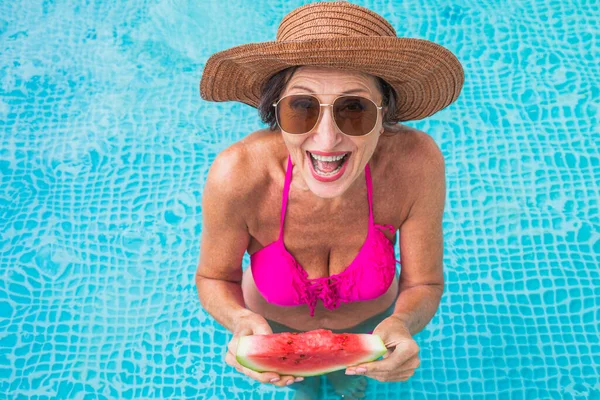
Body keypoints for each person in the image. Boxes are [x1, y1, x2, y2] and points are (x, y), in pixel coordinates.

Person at [196, 2, 464, 399]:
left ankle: (338, 376)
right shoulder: (238, 174)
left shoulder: (416, 164)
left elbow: (424, 282)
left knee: (346, 378)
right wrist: (240, 321)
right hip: (274, 324)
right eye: (301, 108)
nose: (326, 140)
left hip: (371, 324)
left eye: (354, 109)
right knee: (303, 386)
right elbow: (214, 277)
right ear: (275, 110)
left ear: (385, 112)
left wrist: (403, 322)